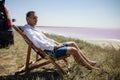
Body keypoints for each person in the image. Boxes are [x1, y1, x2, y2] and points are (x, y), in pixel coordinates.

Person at [23, 11, 102, 73]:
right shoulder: (28, 30)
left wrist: (56, 43)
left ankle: (88, 62)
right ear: (28, 19)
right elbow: (38, 43)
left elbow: (46, 39)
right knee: (73, 50)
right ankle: (90, 67)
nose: (36, 19)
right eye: (34, 18)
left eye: (36, 17)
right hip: (49, 51)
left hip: (51, 47)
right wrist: (54, 46)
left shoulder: (34, 29)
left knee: (72, 43)